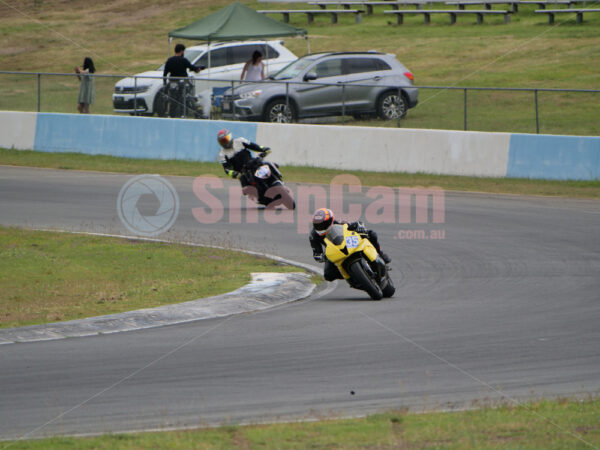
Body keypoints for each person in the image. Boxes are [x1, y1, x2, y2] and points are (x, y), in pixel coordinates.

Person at [310, 208, 391, 282]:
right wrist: (323, 256)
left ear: (331, 220)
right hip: (334, 252)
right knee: (328, 275)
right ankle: (352, 275)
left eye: (323, 224)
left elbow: (352, 225)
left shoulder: (337, 223)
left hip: (348, 243)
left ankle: (380, 253)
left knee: (372, 234)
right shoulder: (313, 236)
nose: (321, 227)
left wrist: (359, 227)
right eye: (318, 225)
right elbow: (316, 254)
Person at [163, 43, 205, 117]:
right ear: (181, 51)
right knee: (184, 100)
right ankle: (184, 114)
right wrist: (198, 69)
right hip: (182, 84)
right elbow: (192, 68)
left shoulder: (169, 60)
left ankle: (171, 115)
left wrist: (165, 84)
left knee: (173, 101)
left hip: (172, 84)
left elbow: (165, 74)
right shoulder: (183, 60)